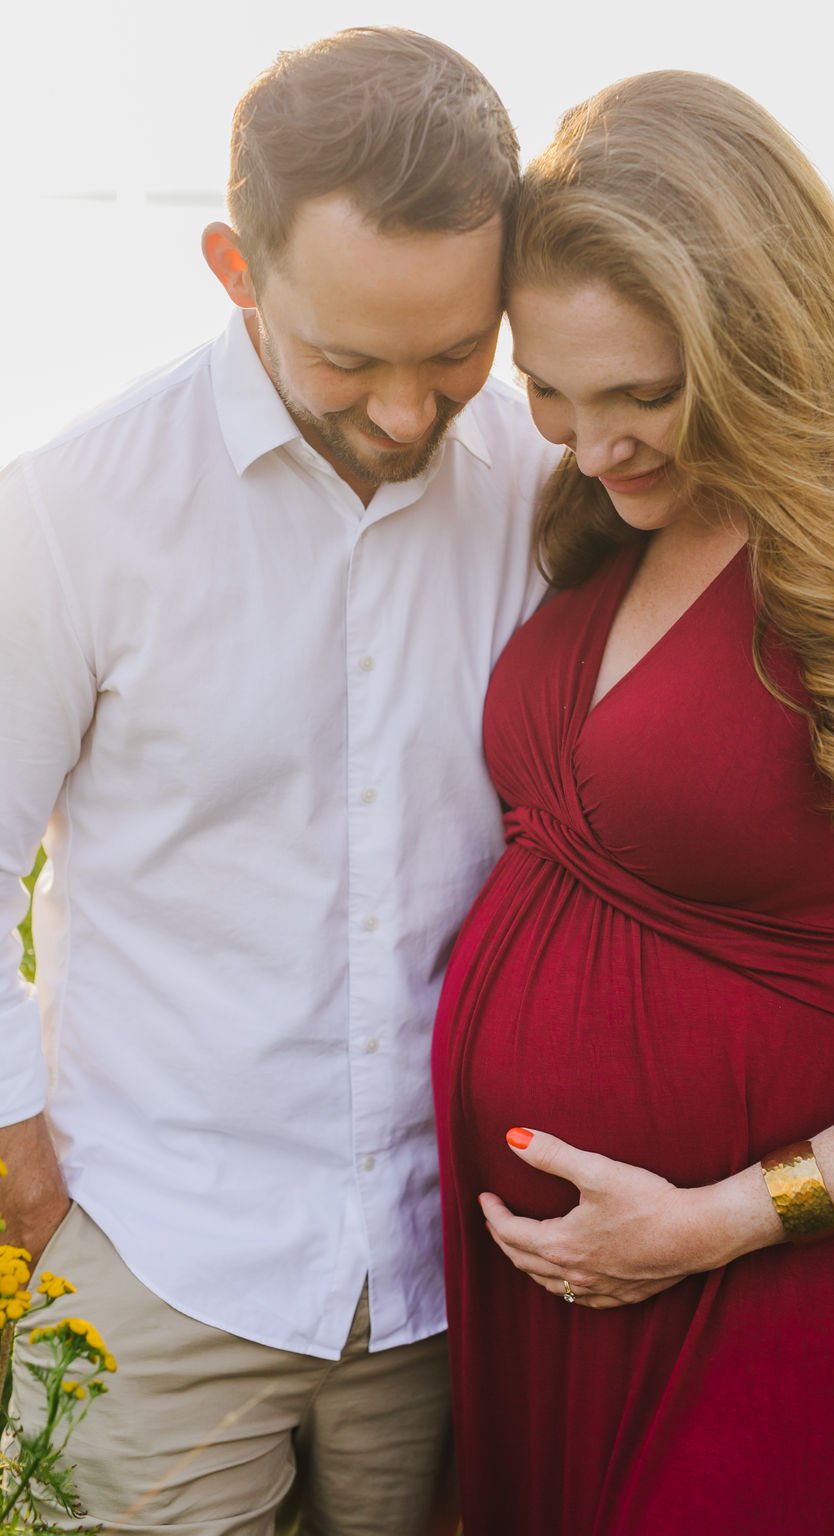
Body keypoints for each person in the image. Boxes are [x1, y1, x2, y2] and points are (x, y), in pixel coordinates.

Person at [432, 69, 834, 1535]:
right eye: (551, 395)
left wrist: (726, 1219)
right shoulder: (605, 512)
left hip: (776, 1285)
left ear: (759, 335)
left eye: (643, 395)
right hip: (561, 1286)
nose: (594, 442)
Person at [0, 27, 557, 1535]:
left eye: (454, 353)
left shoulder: (548, 490)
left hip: (454, 1282)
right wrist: (24, 1174)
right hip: (151, 1257)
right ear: (233, 267)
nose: (402, 411)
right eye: (350, 357)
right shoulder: (71, 510)